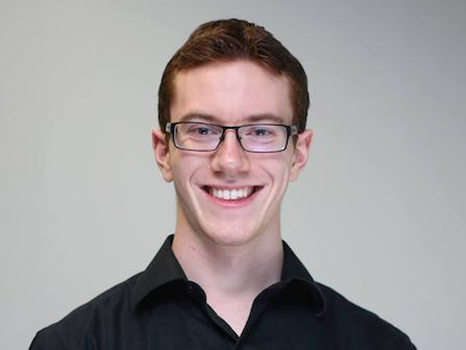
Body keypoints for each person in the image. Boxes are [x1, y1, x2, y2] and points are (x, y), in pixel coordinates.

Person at [29, 18, 416, 349]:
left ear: (298, 154)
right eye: (201, 129)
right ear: (163, 152)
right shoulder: (74, 344)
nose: (230, 161)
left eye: (261, 131)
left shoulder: (380, 345)